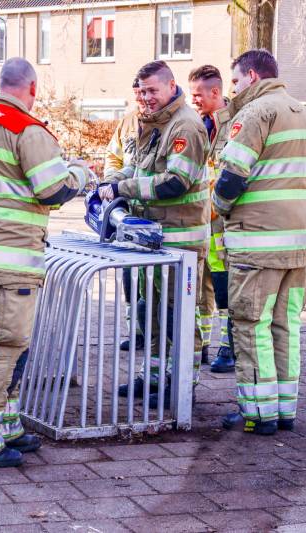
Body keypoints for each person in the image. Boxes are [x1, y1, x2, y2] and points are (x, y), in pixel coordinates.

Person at [0, 57, 87, 468]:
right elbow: (52, 190)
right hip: (10, 261)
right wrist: (78, 173)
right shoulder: (28, 130)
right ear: (33, 89)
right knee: (3, 347)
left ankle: (5, 424)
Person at [214, 49, 306, 436]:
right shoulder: (304, 113)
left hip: (257, 244)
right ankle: (284, 411)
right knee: (285, 326)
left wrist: (219, 209)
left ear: (254, 77)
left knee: (250, 325)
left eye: (237, 81)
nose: (234, 89)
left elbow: (231, 179)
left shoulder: (254, 114)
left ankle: (257, 413)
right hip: (297, 246)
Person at [101, 60, 209, 409]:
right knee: (154, 314)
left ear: (171, 86)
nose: (145, 97)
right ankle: (153, 376)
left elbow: (177, 181)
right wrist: (112, 183)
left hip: (181, 242)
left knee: (179, 318)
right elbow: (139, 166)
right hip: (154, 239)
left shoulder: (186, 126)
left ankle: (182, 387)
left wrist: (124, 186)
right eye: (142, 91)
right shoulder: (153, 122)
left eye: (152, 90)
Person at [188, 65, 237, 373]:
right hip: (202, 221)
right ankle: (203, 344)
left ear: (215, 93)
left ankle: (228, 348)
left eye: (198, 95)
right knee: (202, 286)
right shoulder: (198, 125)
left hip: (226, 224)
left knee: (226, 287)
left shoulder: (237, 123)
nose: (194, 101)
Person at [104, 78, 148, 352]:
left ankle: (149, 329)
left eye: (145, 93)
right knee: (129, 275)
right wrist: (112, 184)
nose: (141, 99)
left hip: (149, 205)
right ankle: (136, 331)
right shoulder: (127, 123)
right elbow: (113, 157)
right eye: (137, 94)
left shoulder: (167, 123)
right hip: (126, 206)